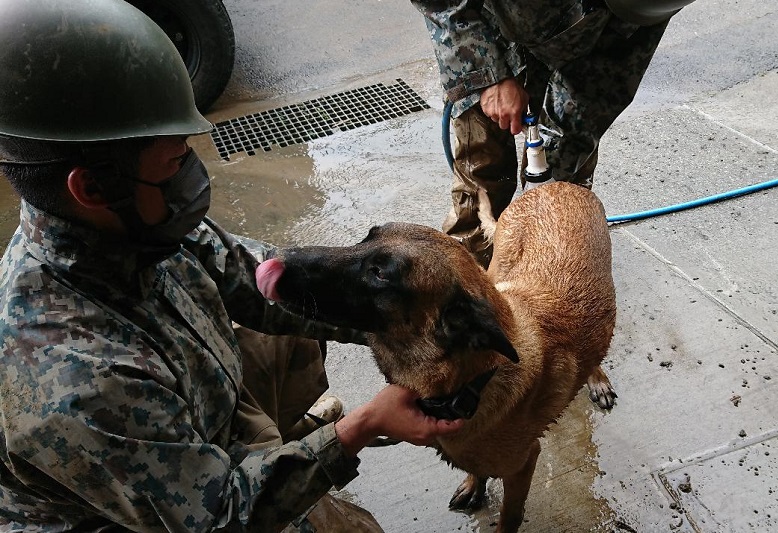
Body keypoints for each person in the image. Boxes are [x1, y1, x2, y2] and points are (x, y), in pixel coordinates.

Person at [0, 0, 461, 531]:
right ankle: (286, 471)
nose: (192, 176)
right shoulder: (77, 381)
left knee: (292, 308)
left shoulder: (128, 226)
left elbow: (257, 276)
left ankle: (280, 450)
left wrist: (427, 318)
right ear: (92, 186)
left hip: (195, 417)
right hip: (176, 511)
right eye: (175, 162)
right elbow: (220, 516)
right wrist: (353, 432)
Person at [412, 0, 695, 267]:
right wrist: (487, 75)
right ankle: (465, 282)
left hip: (597, 36)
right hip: (484, 20)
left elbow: (591, 100)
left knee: (563, 183)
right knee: (484, 157)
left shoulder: (644, 10)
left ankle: (548, 271)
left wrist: (550, 191)